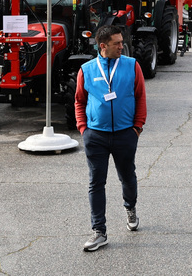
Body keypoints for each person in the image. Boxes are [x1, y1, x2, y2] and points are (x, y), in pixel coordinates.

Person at [75, 25, 147, 251]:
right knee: (96, 182)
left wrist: (137, 127)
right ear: (103, 46)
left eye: (122, 42)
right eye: (117, 43)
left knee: (127, 177)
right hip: (95, 135)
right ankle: (99, 231)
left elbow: (140, 97)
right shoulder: (86, 70)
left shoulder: (131, 65)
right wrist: (83, 129)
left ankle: (130, 207)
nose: (121, 46)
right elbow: (79, 100)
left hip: (125, 133)